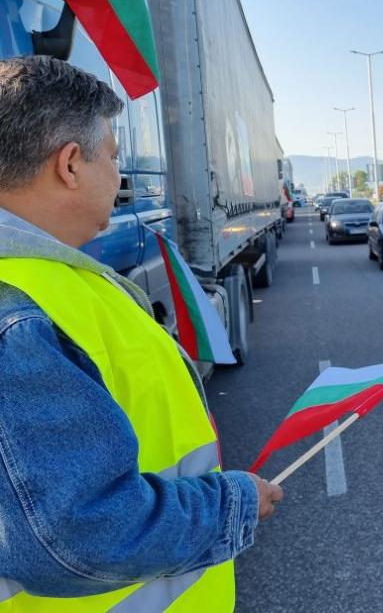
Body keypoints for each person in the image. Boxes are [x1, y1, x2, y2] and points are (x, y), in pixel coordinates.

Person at [0, 56, 283, 612]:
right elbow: (77, 536)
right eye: (112, 156)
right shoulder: (19, 313)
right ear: (71, 165)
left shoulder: (45, 284)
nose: (121, 177)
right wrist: (235, 502)